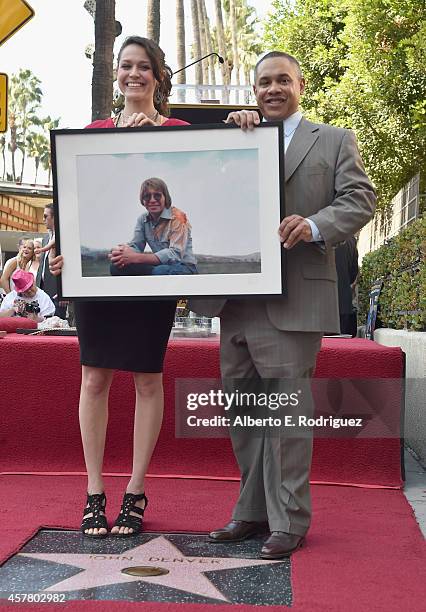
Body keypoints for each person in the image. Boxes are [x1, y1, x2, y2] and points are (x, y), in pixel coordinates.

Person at [191, 51, 376, 559]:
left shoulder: (333, 140)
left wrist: (314, 224)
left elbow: (360, 199)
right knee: (245, 413)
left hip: (295, 294)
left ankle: (289, 521)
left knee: (287, 415)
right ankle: (251, 513)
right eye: (263, 82)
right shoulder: (236, 137)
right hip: (235, 297)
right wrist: (228, 141)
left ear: (300, 85)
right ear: (253, 91)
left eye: (282, 81)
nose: (273, 89)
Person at [50, 36, 189, 538]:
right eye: (126, 66)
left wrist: (243, 124)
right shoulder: (92, 134)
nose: (134, 74)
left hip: (150, 287)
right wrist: (66, 249)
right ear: (118, 74)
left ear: (158, 75)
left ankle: (134, 490)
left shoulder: (180, 134)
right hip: (99, 285)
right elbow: (74, 206)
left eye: (143, 67)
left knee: (148, 380)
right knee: (94, 379)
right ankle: (93, 492)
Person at [110, 177, 197, 277]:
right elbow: (136, 246)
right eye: (147, 196)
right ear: (142, 200)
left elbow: (175, 254)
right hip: (159, 266)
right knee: (116, 267)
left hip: (185, 267)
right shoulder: (142, 219)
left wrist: (136, 258)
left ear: (165, 197)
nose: (152, 200)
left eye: (157, 196)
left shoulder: (179, 218)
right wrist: (120, 252)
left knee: (159, 272)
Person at [35, 204, 67, 319]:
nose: (43, 219)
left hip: (57, 294)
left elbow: (67, 266)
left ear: (54, 218)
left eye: (45, 216)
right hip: (43, 292)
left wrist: (65, 291)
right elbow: (42, 267)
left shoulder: (64, 239)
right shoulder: (45, 239)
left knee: (57, 329)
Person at [335, 236, 359, 337]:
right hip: (343, 300)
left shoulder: (315, 230)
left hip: (317, 301)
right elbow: (354, 272)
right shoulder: (350, 239)